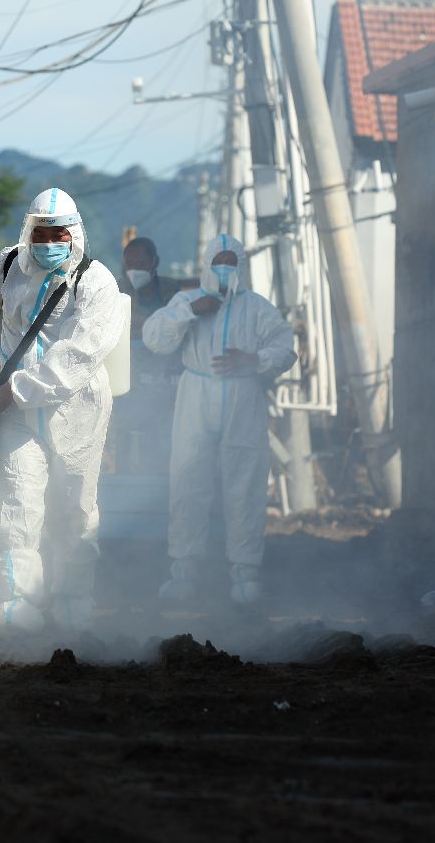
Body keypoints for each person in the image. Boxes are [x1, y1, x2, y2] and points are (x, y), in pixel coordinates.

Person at [0, 188, 125, 634]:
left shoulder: (96, 282)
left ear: (75, 233)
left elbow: (78, 356)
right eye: (41, 233)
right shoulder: (7, 266)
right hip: (15, 410)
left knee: (75, 508)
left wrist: (11, 391)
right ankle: (18, 602)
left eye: (59, 234)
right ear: (28, 232)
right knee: (18, 501)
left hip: (75, 409)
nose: (50, 242)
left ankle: (74, 600)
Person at [142, 233, 297, 606]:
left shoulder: (256, 308)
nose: (224, 269)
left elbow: (285, 348)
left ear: (241, 266)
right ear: (207, 264)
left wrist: (254, 360)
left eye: (231, 262)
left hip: (244, 396)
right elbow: (154, 339)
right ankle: (183, 571)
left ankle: (245, 573)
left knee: (245, 483)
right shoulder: (187, 301)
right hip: (196, 395)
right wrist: (192, 311)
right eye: (218, 262)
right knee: (188, 480)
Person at [114, 237, 193, 470]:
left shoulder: (171, 290)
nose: (134, 270)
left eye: (140, 263)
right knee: (125, 433)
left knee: (164, 436)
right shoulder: (117, 289)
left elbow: (174, 328)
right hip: (129, 376)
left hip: (166, 376)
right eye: (130, 264)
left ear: (155, 262)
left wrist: (144, 324)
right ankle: (124, 477)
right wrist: (153, 326)